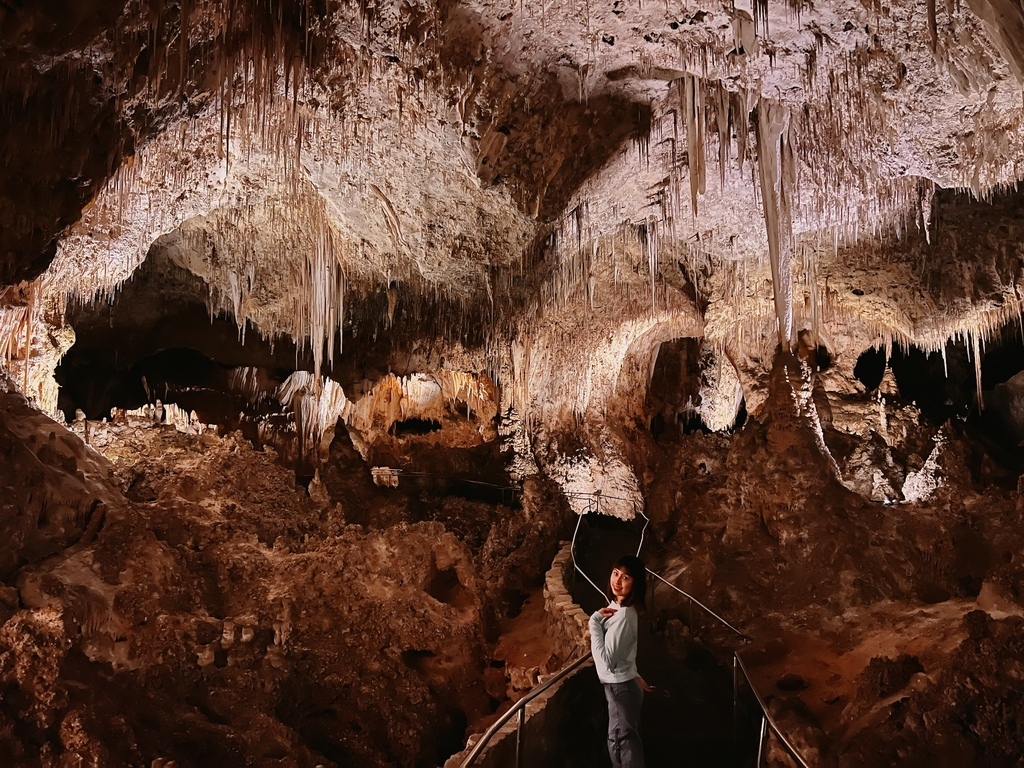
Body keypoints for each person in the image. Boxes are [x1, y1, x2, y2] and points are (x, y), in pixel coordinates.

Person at [589, 554, 652, 768]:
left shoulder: (624, 615)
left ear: (636, 583)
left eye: (625, 577)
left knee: (622, 745)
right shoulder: (616, 608)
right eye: (616, 573)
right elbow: (627, 650)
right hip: (624, 686)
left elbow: (606, 661)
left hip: (620, 689)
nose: (617, 581)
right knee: (624, 742)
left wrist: (594, 623)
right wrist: (634, 674)